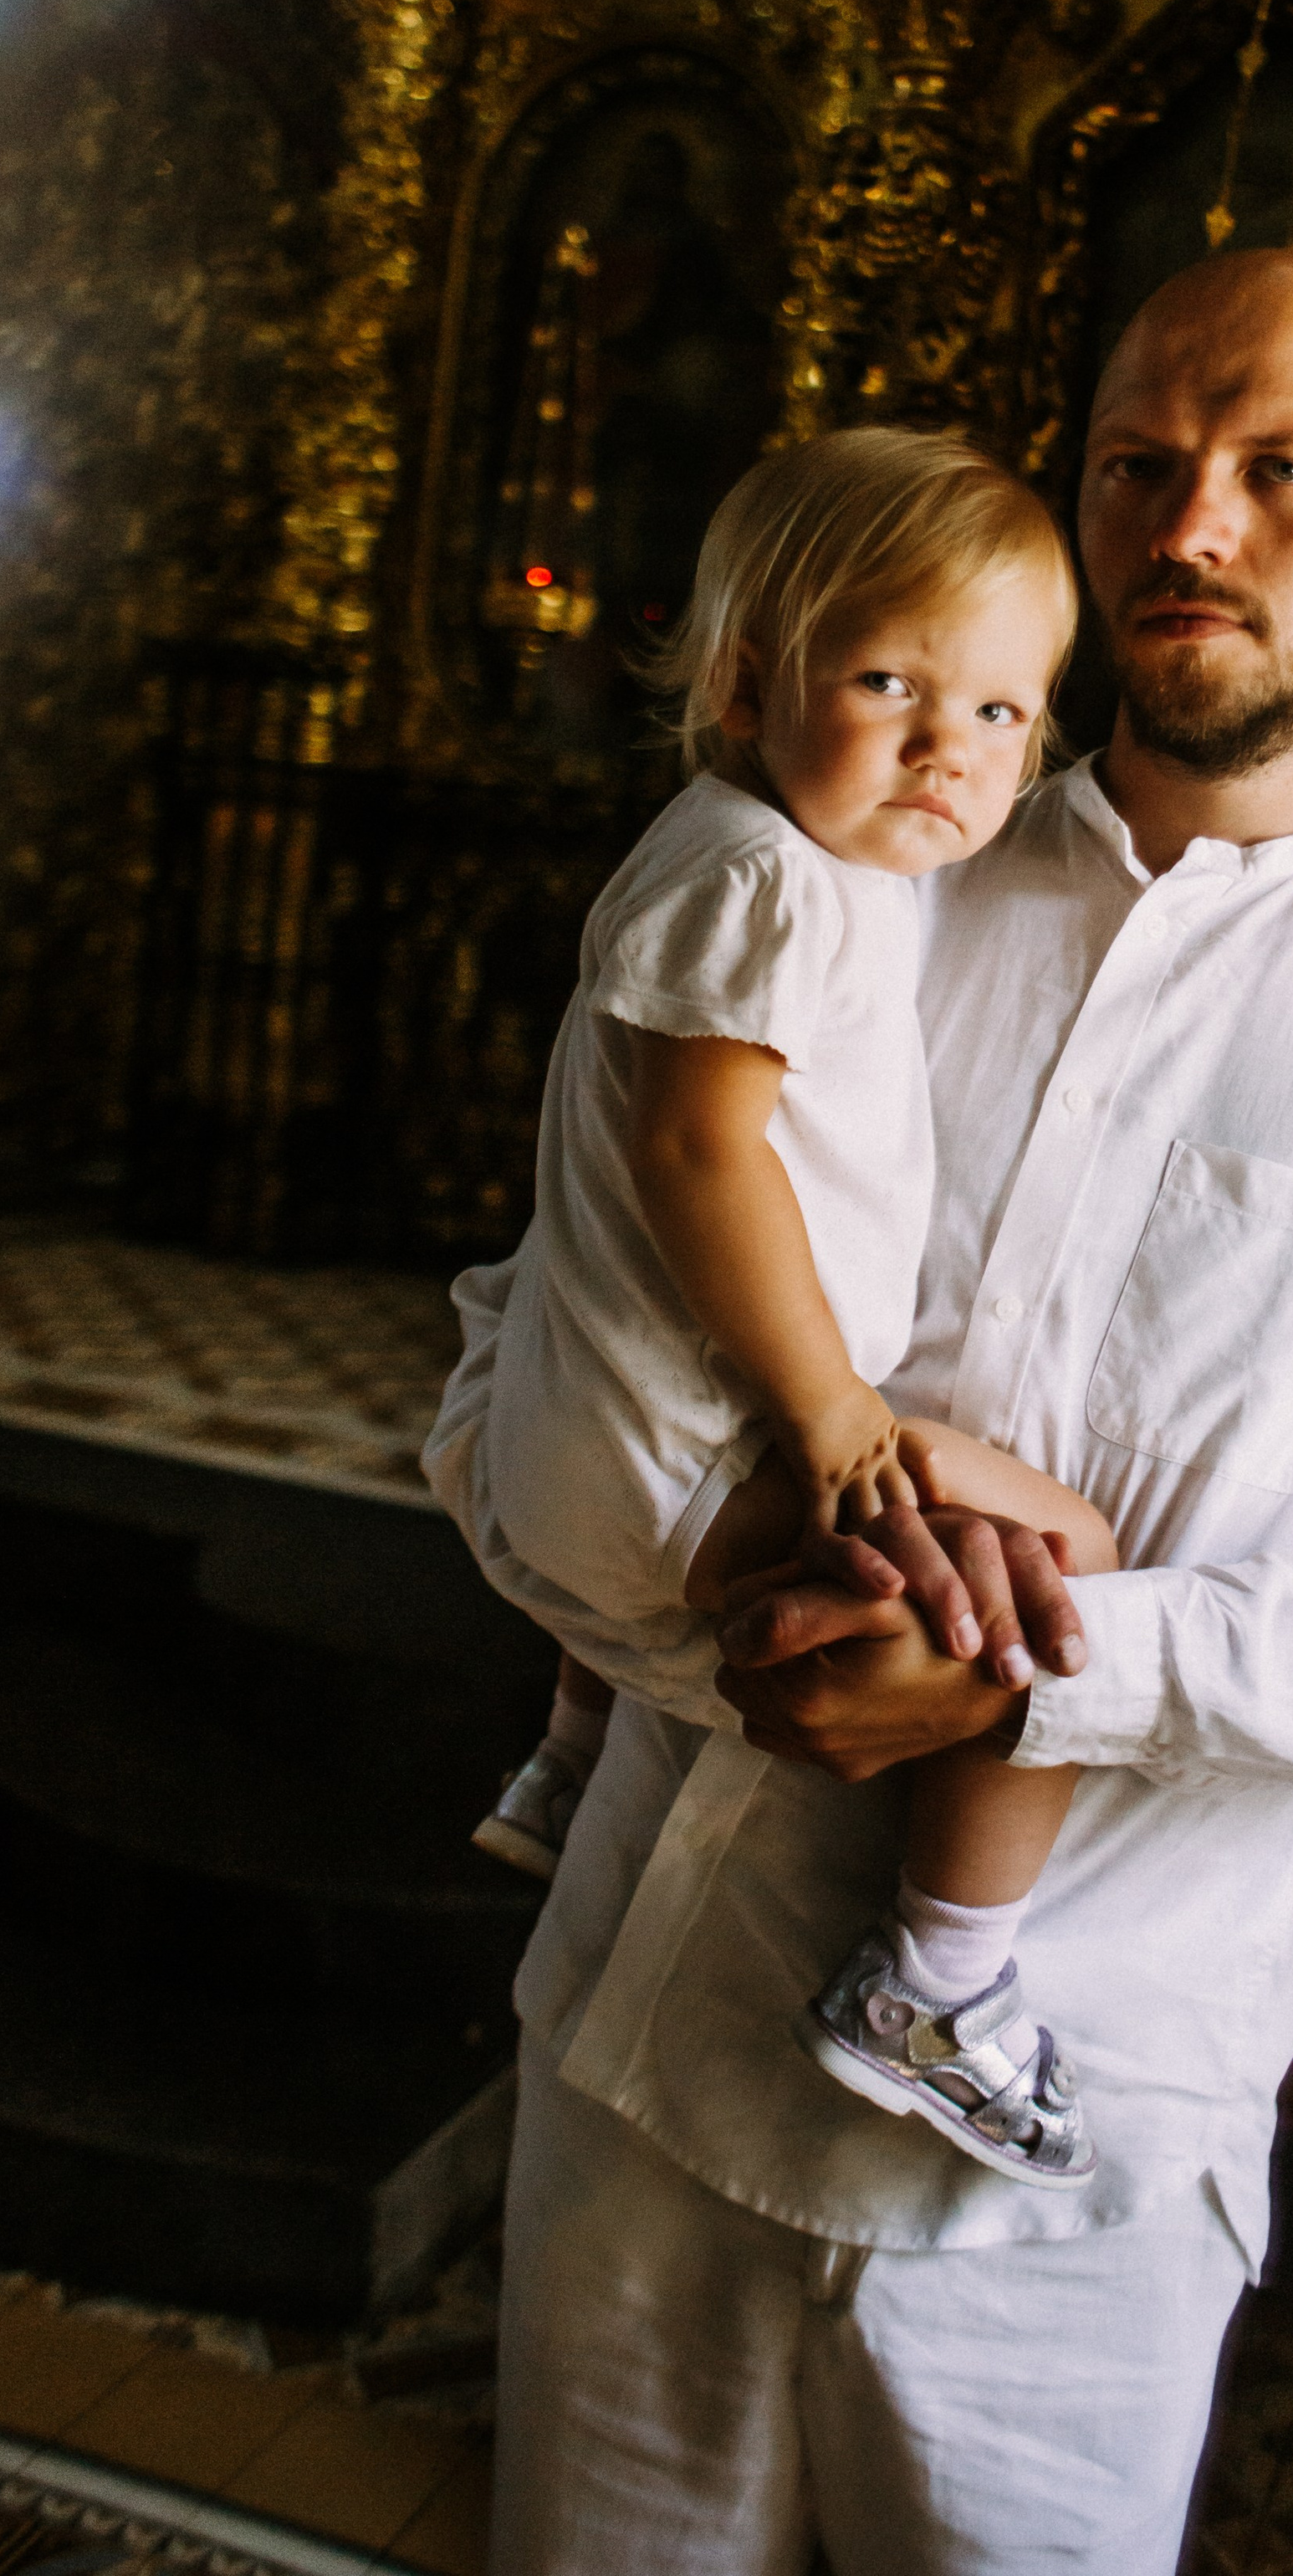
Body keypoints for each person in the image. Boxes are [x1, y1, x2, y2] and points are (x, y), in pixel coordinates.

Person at [427, 248, 1293, 2576]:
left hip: (1086, 2152)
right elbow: (532, 1324)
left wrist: (1050, 1665)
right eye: (1139, 464)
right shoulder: (862, 855)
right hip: (647, 2037)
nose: (1190, 525)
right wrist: (671, 1598)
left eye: (1277, 475)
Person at [450, 420, 1121, 2186]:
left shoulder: (788, 860)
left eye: (999, 714)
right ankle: (941, 1982)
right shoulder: (764, 875)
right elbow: (695, 1160)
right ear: (747, 688)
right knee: (1075, 1565)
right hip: (674, 1463)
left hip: (590, 1446)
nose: (947, 747)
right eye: (890, 680)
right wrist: (832, 1406)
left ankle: (568, 1739)